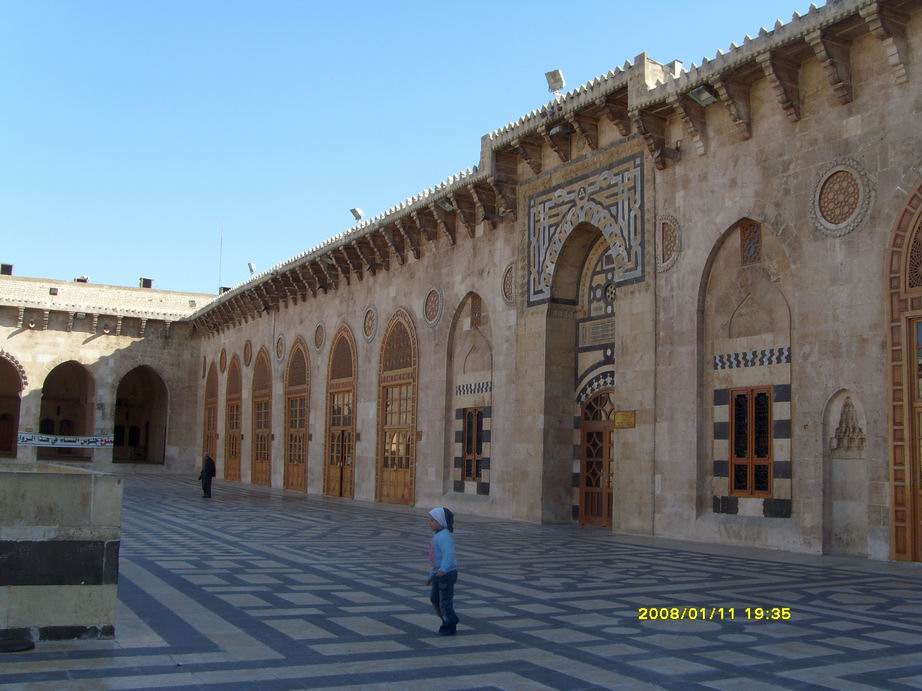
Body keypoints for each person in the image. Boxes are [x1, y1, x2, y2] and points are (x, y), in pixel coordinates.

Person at [426, 507, 459, 635]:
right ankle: (451, 619)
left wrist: (444, 569)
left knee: (445, 601)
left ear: (441, 521)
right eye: (430, 520)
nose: (430, 523)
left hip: (447, 573)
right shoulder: (438, 536)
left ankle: (449, 625)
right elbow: (435, 560)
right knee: (435, 599)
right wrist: (431, 575)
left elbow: (448, 555)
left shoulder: (445, 537)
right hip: (438, 573)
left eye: (432, 520)